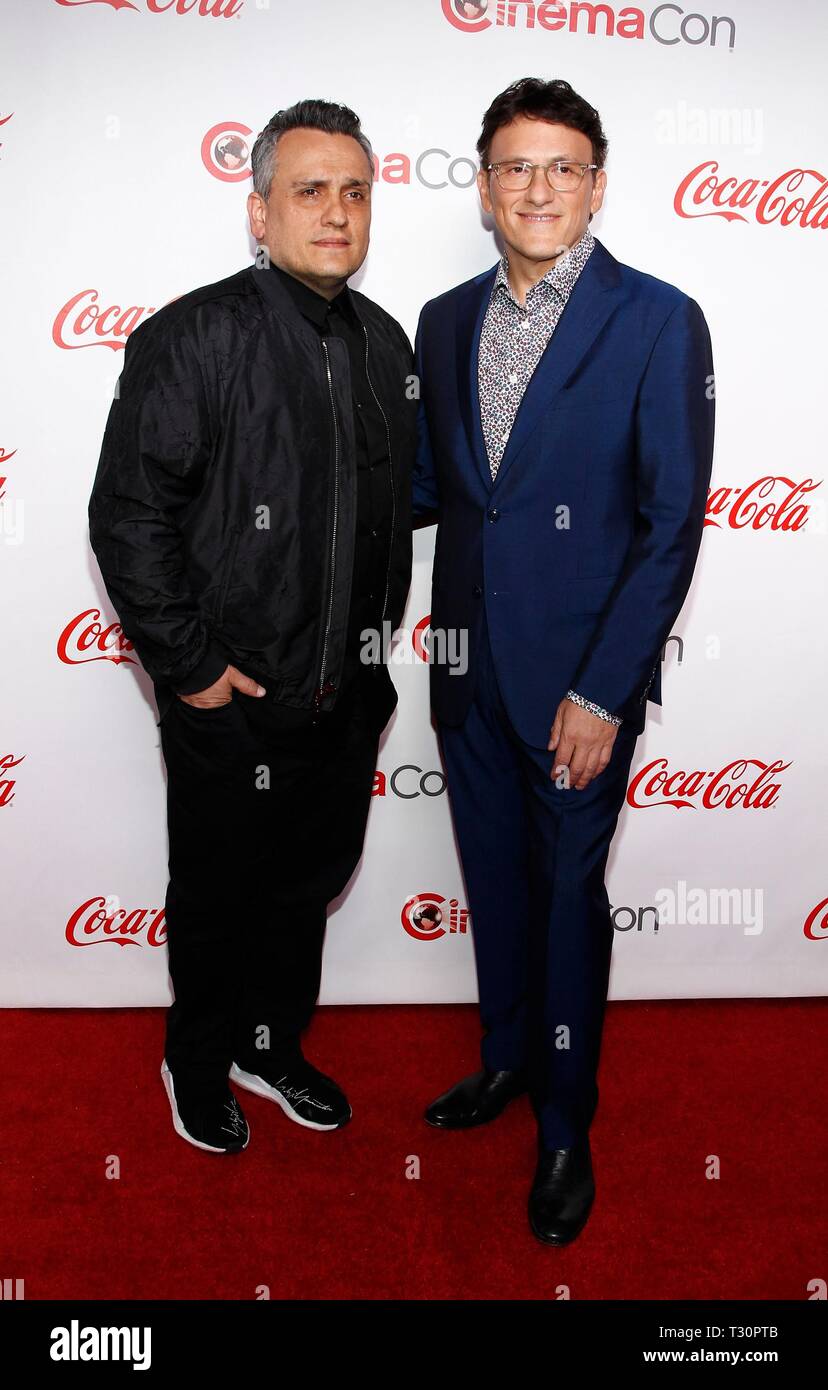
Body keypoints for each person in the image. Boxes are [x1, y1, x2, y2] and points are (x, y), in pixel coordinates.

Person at [413, 77, 715, 1243]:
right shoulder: (443, 320)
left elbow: (669, 521)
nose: (537, 189)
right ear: (483, 184)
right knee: (495, 886)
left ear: (596, 182)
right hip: (466, 674)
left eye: (562, 167)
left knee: (565, 906)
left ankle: (562, 1128)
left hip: (579, 688)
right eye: (514, 167)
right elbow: (441, 495)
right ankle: (503, 1064)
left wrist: (602, 689)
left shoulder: (656, 319)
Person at [88, 99, 415, 1154]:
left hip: (342, 699)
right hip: (231, 702)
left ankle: (269, 1048)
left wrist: (369, 662)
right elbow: (130, 512)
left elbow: (390, 517)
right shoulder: (196, 335)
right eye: (310, 189)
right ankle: (196, 1060)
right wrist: (191, 667)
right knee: (221, 896)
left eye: (355, 192)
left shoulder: (383, 344)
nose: (336, 212)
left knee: (303, 894)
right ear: (259, 211)